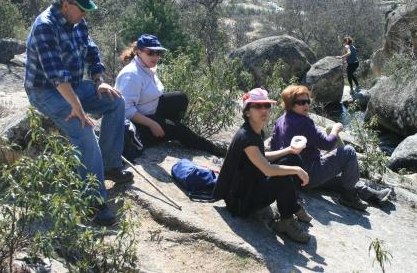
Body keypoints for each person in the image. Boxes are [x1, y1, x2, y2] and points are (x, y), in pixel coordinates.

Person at [24, 0, 133, 226]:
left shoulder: (77, 21)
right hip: (45, 91)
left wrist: (98, 80)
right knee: (83, 130)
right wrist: (78, 108)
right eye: (82, 8)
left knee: (115, 101)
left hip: (72, 86)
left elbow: (91, 49)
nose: (85, 13)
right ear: (65, 4)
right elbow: (56, 76)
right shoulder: (45, 26)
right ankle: (93, 202)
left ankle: (109, 165)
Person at [213, 88, 312, 243]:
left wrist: (288, 150)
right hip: (241, 202)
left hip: (252, 185)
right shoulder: (246, 137)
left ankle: (292, 205)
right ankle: (286, 221)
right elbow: (267, 169)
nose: (264, 110)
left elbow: (261, 157)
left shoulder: (255, 131)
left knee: (293, 157)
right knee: (282, 177)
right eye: (258, 106)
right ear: (247, 112)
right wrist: (297, 170)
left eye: (266, 106)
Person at [270, 85, 391, 212]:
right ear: (290, 104)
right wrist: (335, 130)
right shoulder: (303, 123)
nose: (306, 105)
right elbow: (327, 144)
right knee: (348, 152)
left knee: (344, 179)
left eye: (307, 101)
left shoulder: (279, 121)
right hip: (309, 174)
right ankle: (349, 197)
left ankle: (373, 196)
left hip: (295, 178)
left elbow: (274, 147)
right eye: (300, 102)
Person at [115, 34, 226, 157]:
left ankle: (166, 132)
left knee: (180, 98)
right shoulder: (131, 75)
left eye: (158, 53)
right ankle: (212, 149)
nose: (155, 56)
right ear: (138, 52)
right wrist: (153, 124)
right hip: (138, 122)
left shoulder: (147, 67)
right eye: (150, 52)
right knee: (179, 129)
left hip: (151, 108)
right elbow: (126, 110)